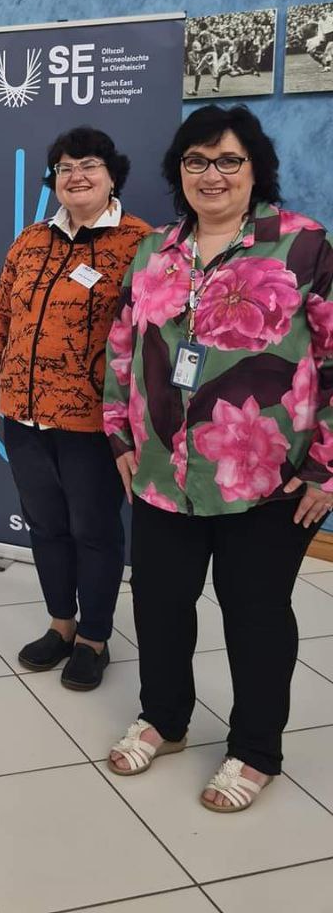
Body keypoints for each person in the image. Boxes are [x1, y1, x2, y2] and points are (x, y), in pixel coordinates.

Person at [105, 104, 333, 812]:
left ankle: (255, 749)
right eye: (197, 161)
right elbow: (122, 347)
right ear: (178, 170)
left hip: (267, 480)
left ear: (255, 168)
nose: (213, 175)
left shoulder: (302, 245)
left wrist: (326, 467)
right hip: (161, 471)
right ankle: (165, 718)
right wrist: (120, 435)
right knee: (160, 603)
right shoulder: (156, 250)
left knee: (255, 613)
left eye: (229, 160)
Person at [0, 127, 152, 690]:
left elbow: (151, 340)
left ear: (112, 175)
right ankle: (61, 624)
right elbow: (2, 316)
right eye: (65, 167)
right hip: (23, 413)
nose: (76, 176)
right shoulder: (30, 240)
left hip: (91, 422)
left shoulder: (141, 244)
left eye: (90, 164)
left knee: (94, 530)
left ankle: (94, 639)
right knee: (47, 526)